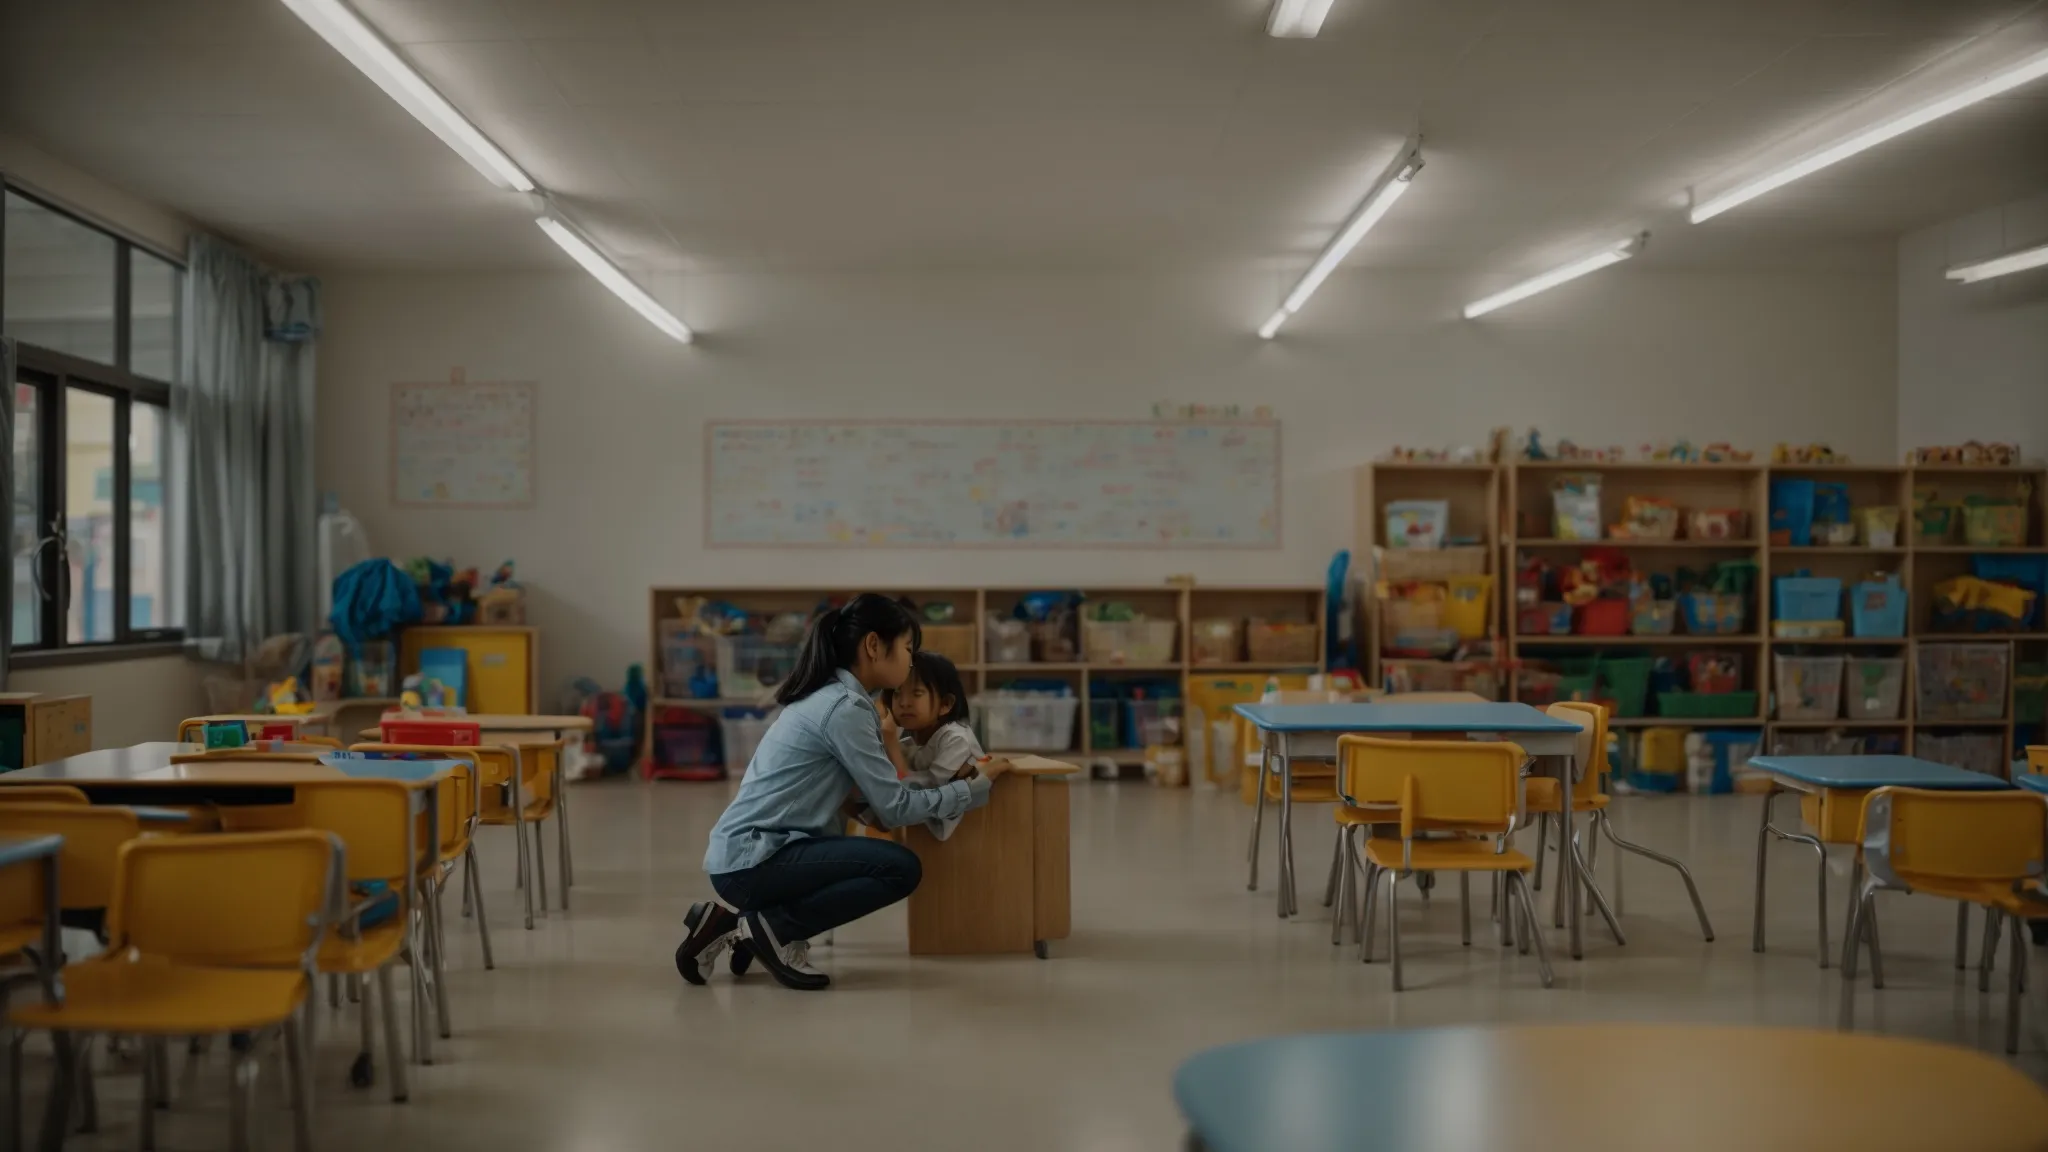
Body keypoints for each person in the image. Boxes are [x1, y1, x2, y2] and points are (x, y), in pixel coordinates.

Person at [676, 594, 1010, 991]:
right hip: (754, 861)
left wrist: (874, 808)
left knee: (860, 853)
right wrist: (971, 789)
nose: (909, 661)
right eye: (906, 648)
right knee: (900, 868)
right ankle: (773, 929)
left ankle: (724, 926)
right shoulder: (846, 707)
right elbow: (896, 806)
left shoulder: (834, 696)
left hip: (741, 857)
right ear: (873, 646)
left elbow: (863, 799)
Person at [849, 650, 984, 841]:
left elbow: (922, 801)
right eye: (897, 694)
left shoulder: (958, 740)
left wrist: (891, 743)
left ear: (945, 704)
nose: (904, 703)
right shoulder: (916, 738)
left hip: (960, 843)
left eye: (917, 693)